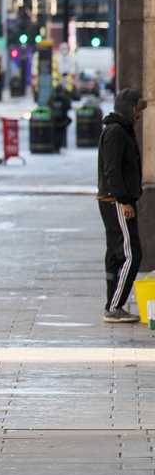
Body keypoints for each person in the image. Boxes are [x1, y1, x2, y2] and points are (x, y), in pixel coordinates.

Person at [98, 88, 146, 323]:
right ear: (129, 107)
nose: (139, 114)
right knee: (131, 254)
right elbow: (112, 170)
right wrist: (124, 200)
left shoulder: (119, 130)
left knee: (117, 254)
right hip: (117, 200)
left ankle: (112, 303)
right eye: (137, 109)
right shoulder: (116, 132)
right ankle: (115, 306)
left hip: (115, 199)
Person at [49, 86, 73, 150]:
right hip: (62, 118)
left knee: (55, 132)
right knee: (61, 132)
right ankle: (61, 144)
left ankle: (56, 145)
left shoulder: (52, 97)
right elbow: (69, 106)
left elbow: (49, 104)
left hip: (54, 118)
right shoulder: (64, 97)